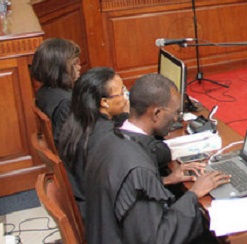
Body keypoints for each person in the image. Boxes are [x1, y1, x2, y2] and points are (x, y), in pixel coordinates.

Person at [84, 73, 230, 244]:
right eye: (175, 113)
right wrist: (194, 193)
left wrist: (164, 180)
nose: (175, 119)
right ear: (157, 113)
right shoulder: (139, 167)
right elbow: (158, 239)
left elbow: (122, 189)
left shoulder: (107, 138)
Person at [58, 67, 130, 217]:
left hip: (87, 203)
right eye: (122, 92)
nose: (125, 97)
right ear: (104, 102)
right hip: (104, 214)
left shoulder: (76, 122)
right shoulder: (107, 138)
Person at [32, 38, 82, 146]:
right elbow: (71, 145)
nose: (79, 66)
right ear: (60, 68)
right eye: (75, 63)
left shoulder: (43, 91)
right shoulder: (66, 102)